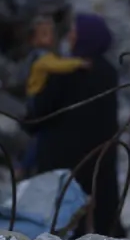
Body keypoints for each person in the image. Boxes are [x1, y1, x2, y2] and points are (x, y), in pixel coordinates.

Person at [24, 13, 122, 237]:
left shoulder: (65, 72)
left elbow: (41, 112)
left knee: (58, 220)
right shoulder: (108, 72)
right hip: (99, 157)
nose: (69, 36)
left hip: (61, 159)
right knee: (101, 218)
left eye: (74, 32)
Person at [16, 13, 89, 178]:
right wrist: (79, 63)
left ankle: (24, 166)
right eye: (43, 34)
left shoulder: (42, 56)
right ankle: (22, 167)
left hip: (37, 99)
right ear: (33, 39)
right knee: (40, 136)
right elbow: (57, 66)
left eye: (50, 33)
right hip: (36, 99)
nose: (49, 38)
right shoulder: (41, 57)